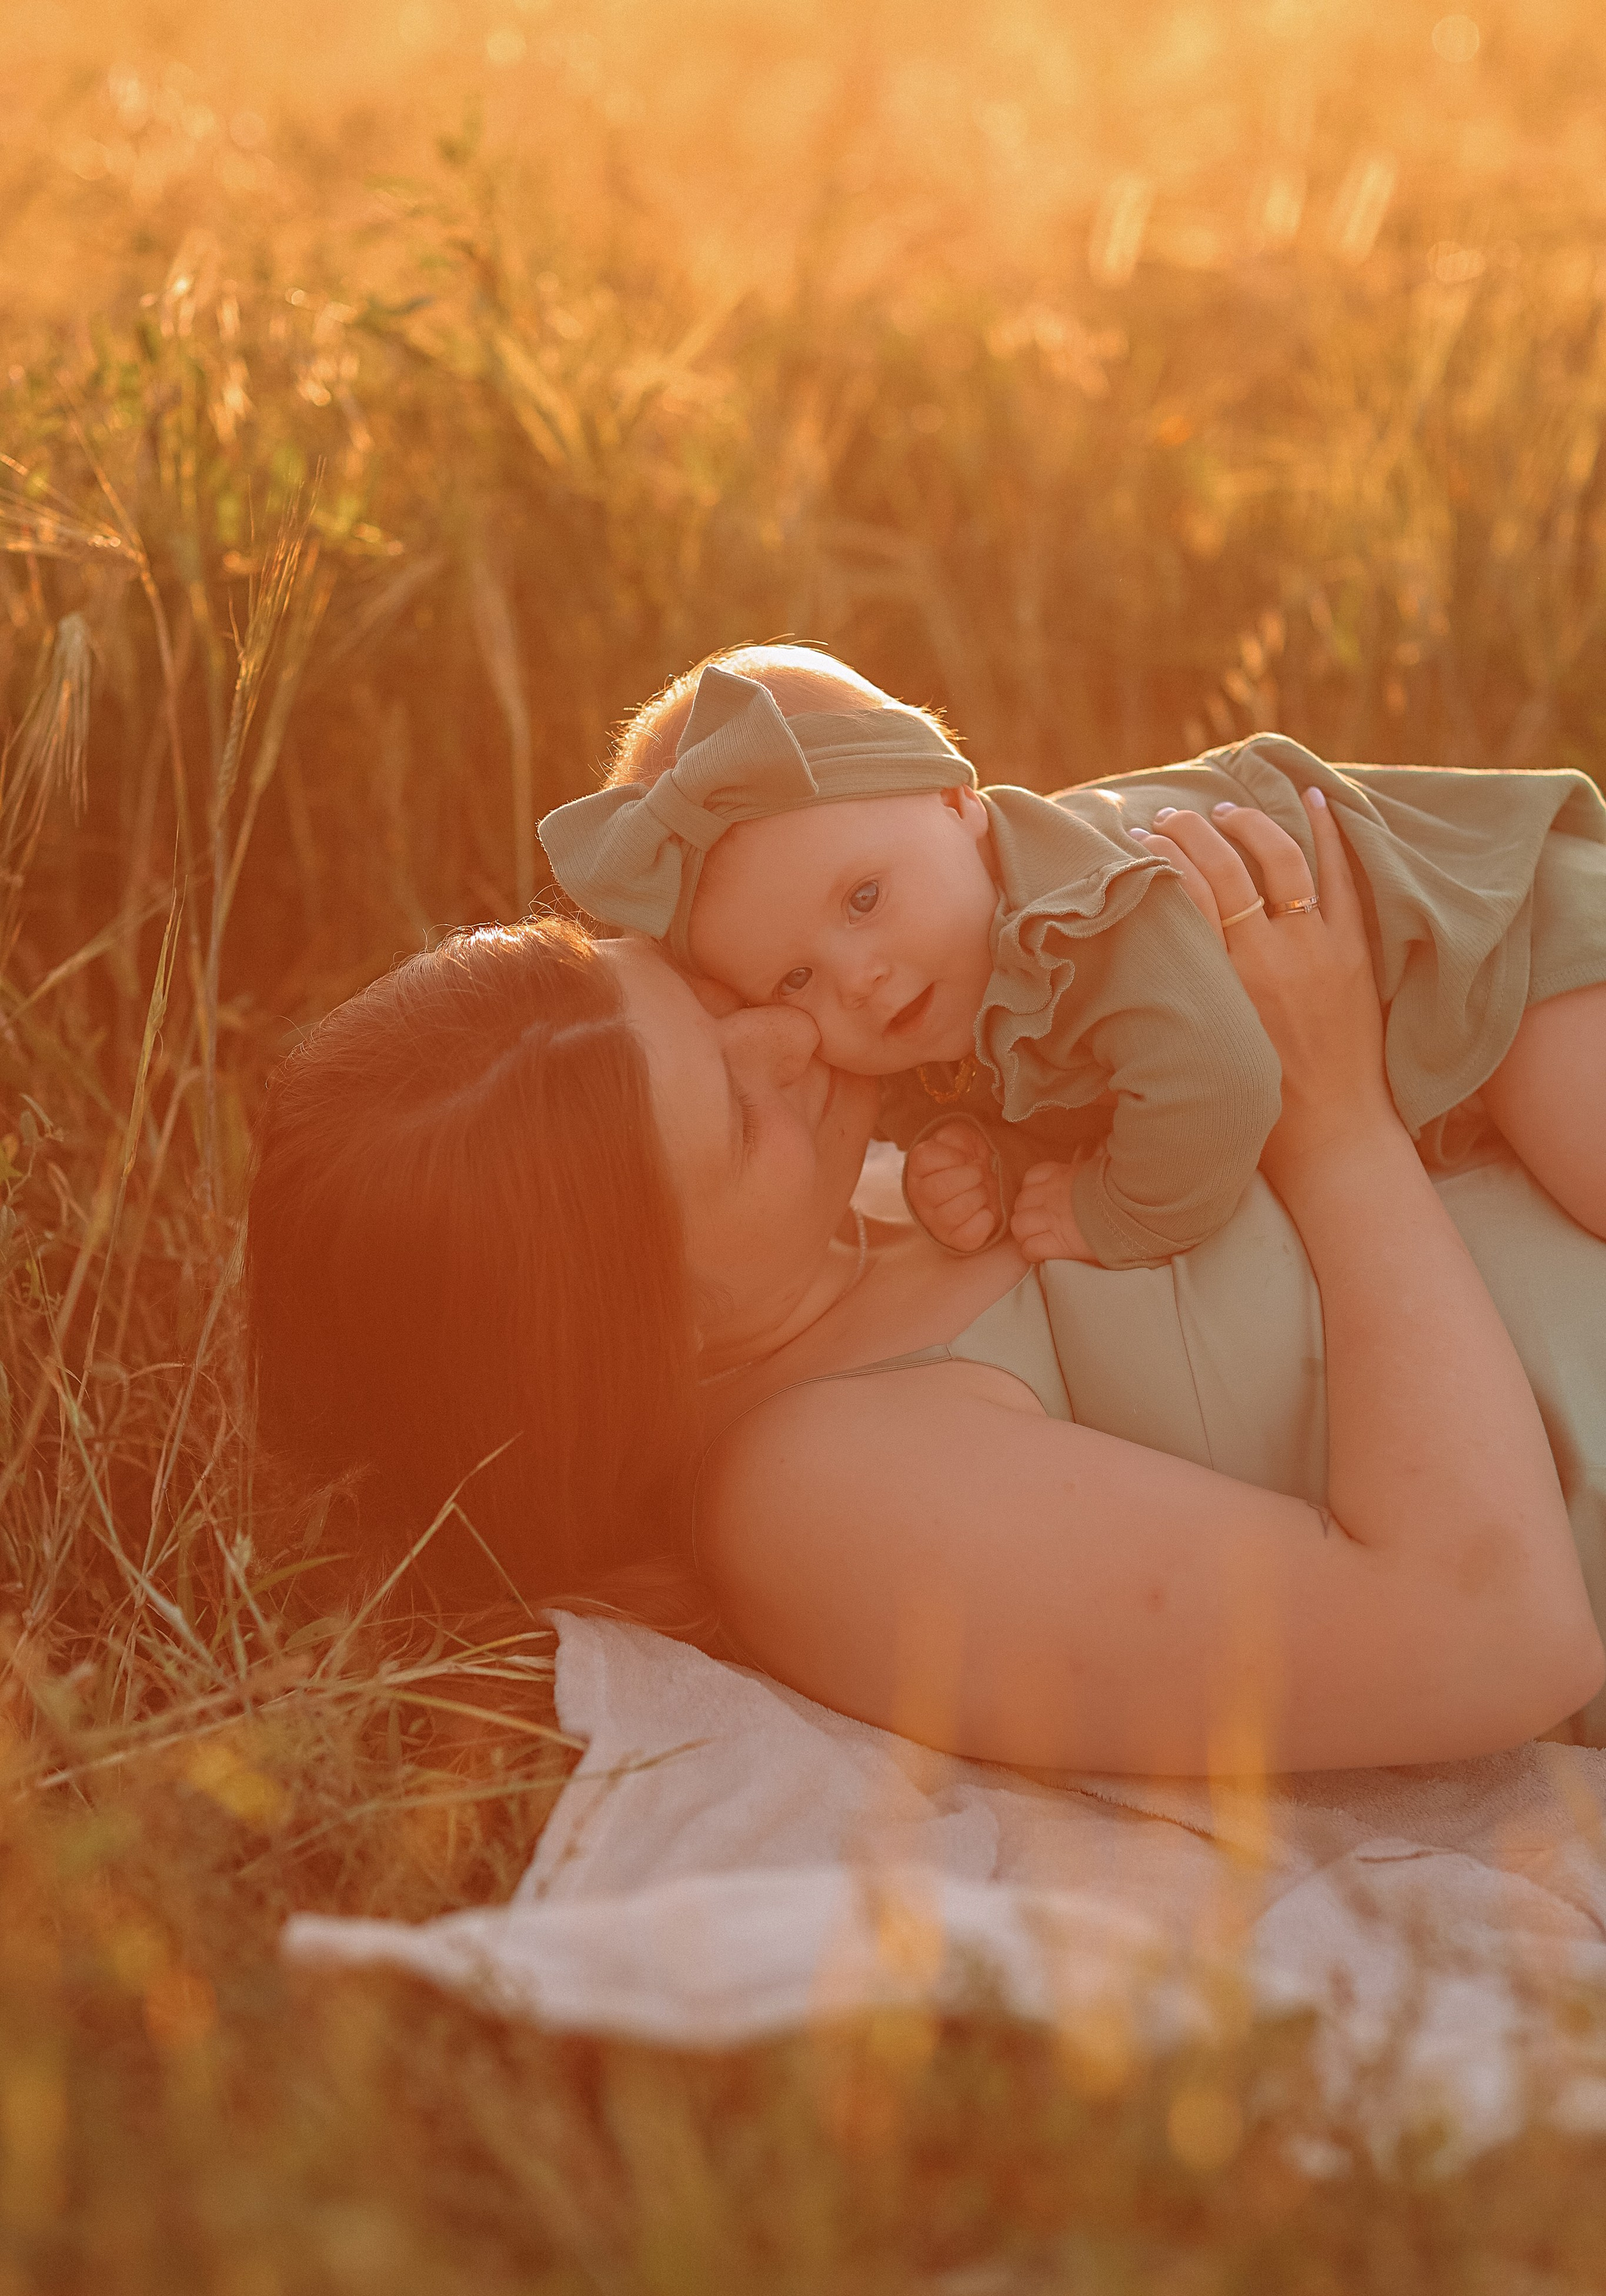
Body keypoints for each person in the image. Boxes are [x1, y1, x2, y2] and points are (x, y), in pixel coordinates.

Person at [246, 749, 1606, 1774]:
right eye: (736, 1115)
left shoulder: (872, 1190)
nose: (793, 1042)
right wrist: (1331, 1118)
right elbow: (1486, 1635)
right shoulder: (825, 1494)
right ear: (646, 1332)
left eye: (703, 1003)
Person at [537, 649, 1606, 1269]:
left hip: (1502, 939)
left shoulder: (1081, 912)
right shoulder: (951, 965)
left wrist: (1110, 1212)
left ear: (959, 803)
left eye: (863, 898)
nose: (857, 975)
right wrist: (993, 1154)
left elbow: (1219, 1085)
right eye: (794, 980)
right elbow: (1082, 1083)